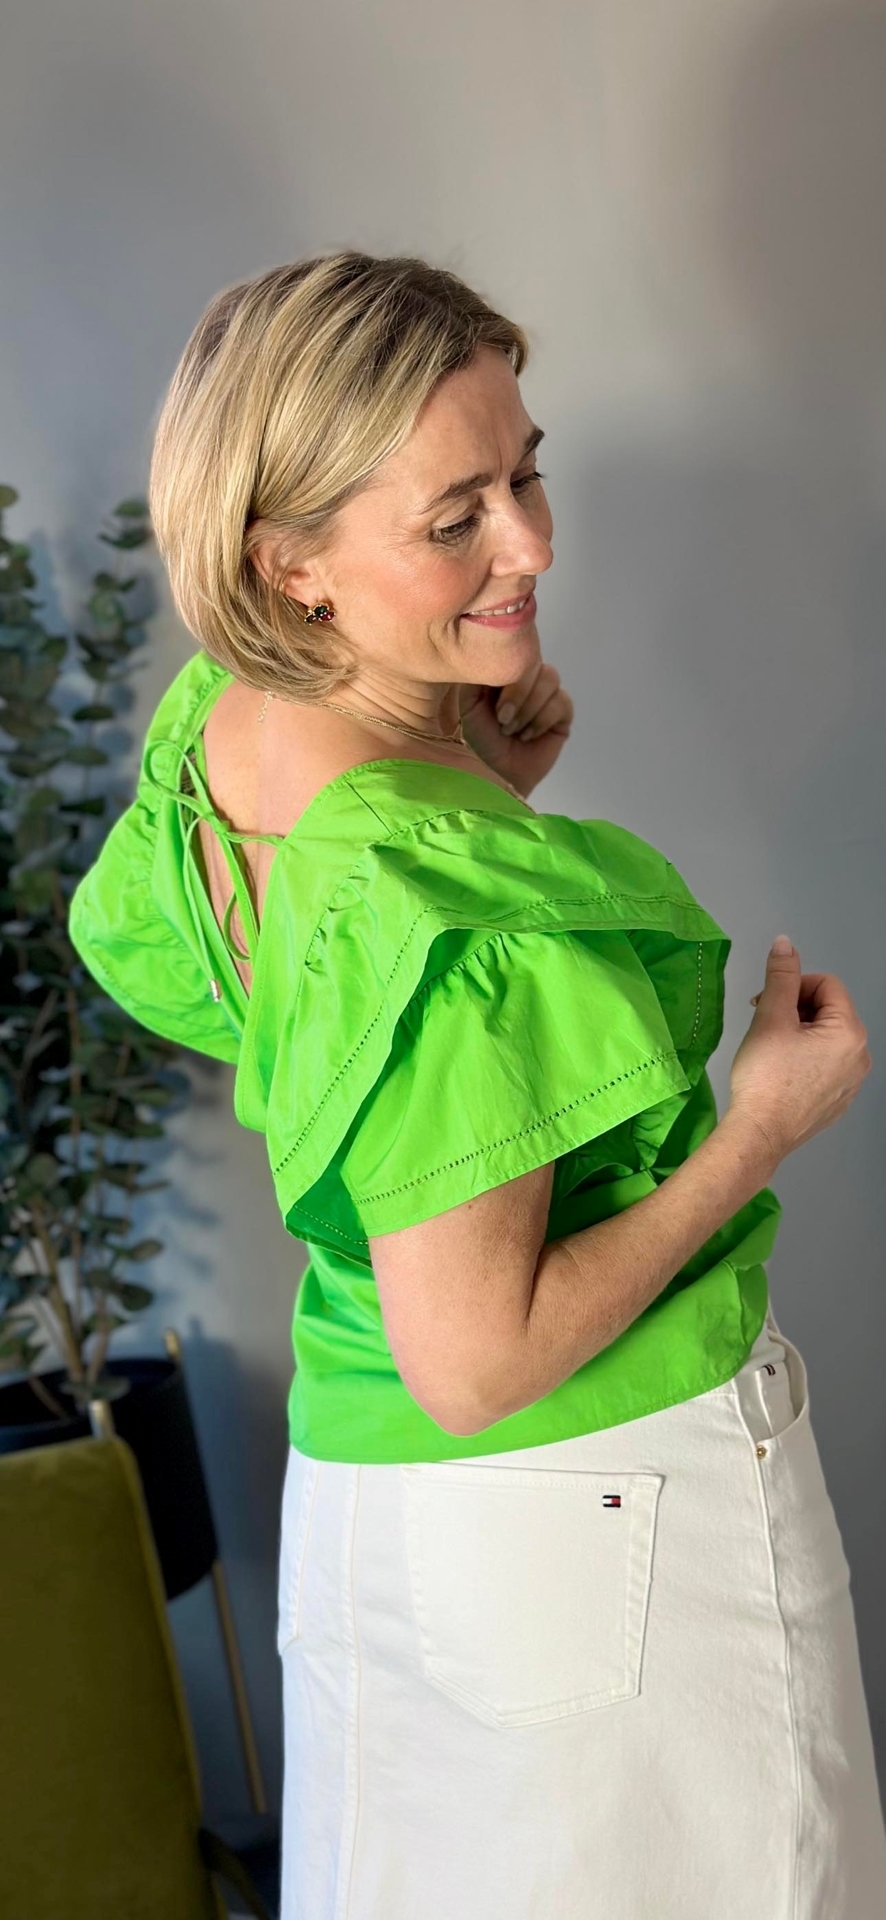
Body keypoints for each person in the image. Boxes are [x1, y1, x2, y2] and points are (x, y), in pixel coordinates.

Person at [68, 251, 886, 1919]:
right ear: (289, 562)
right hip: (594, 1541)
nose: (531, 544)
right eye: (456, 517)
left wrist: (476, 782)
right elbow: (474, 1363)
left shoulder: (222, 731)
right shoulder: (452, 907)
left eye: (524, 472)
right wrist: (755, 1129)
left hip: (383, 1537)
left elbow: (217, 977)